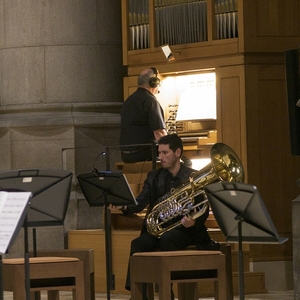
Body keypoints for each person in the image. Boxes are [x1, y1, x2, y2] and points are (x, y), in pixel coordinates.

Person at [110, 134, 219, 300]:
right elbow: (140, 202)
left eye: (164, 153)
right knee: (138, 244)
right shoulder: (154, 177)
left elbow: (202, 206)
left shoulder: (193, 177)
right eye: (159, 153)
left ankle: (166, 292)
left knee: (168, 239)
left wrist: (194, 221)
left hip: (186, 230)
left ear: (177, 152)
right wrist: (124, 206)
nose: (160, 157)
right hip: (160, 230)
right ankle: (139, 295)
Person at [119, 67, 168, 163]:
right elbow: (159, 134)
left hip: (126, 155)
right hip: (144, 153)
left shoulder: (128, 101)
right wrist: (174, 148)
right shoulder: (150, 101)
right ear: (154, 82)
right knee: (185, 161)